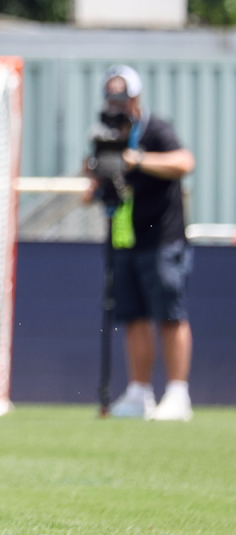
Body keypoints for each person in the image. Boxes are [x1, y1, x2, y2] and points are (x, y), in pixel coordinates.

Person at [92, 66, 196, 421]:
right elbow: (94, 185)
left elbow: (185, 162)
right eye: (110, 98)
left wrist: (137, 159)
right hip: (126, 239)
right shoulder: (109, 134)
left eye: (121, 98)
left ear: (134, 99)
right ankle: (139, 392)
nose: (115, 105)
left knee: (169, 314)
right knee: (133, 316)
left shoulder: (156, 129)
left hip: (163, 238)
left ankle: (178, 394)